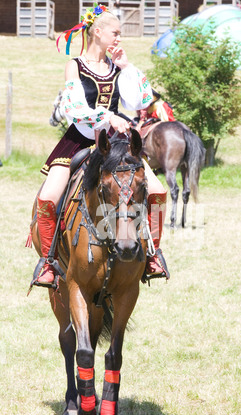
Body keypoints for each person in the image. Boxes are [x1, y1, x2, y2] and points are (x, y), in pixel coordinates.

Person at [33, 4, 169, 286]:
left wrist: (127, 67)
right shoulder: (75, 65)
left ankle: (153, 254)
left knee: (157, 191)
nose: (119, 38)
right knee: (47, 198)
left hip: (117, 144)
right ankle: (48, 262)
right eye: (115, 33)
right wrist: (106, 116)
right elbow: (73, 106)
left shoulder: (117, 67)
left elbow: (141, 101)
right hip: (80, 140)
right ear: (97, 32)